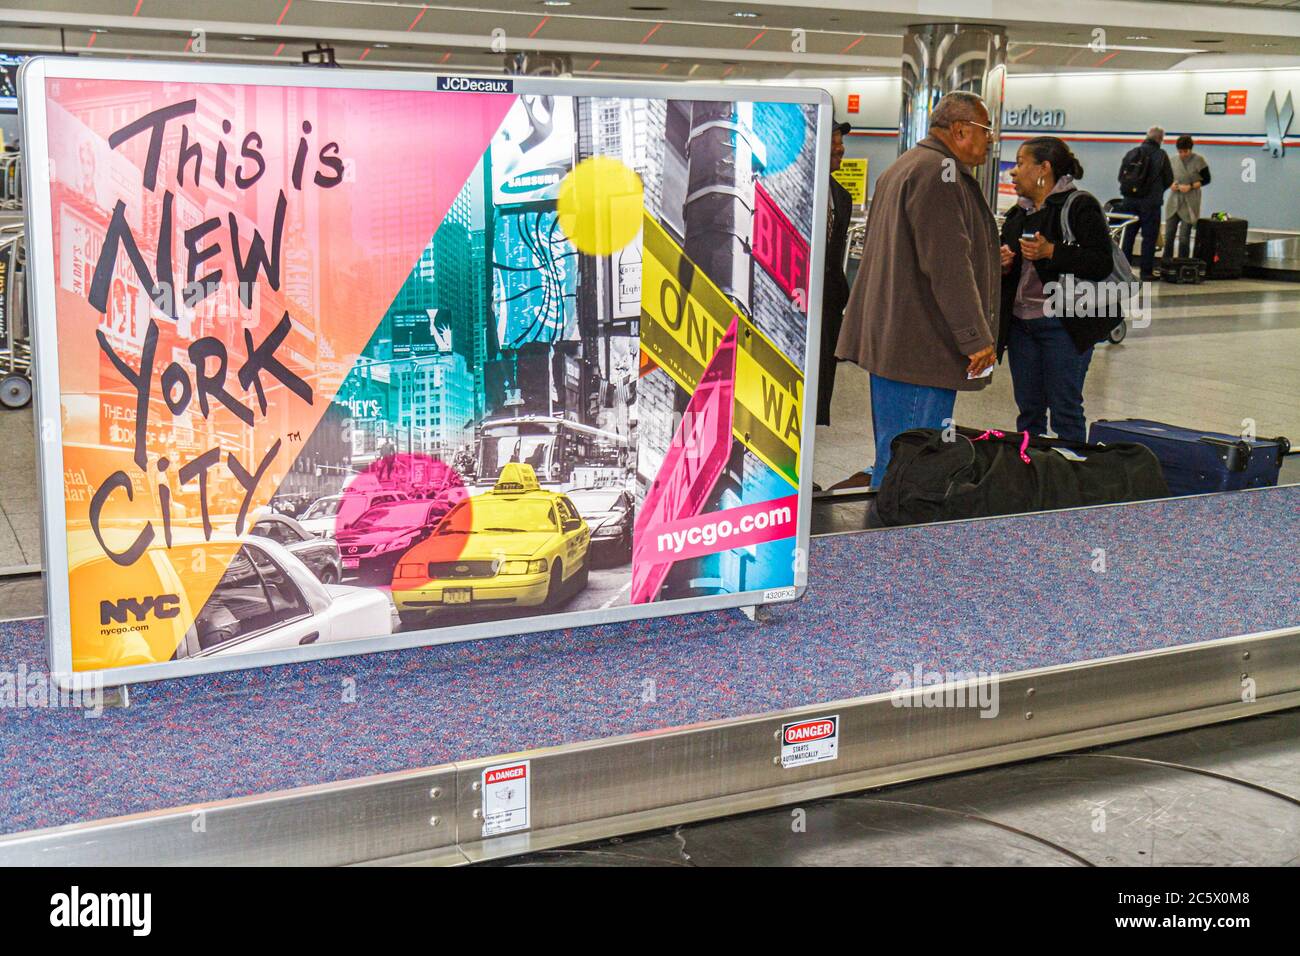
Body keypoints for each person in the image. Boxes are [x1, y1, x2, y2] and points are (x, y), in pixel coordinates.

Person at [836, 91, 999, 488]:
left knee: (895, 452)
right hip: (922, 346)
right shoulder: (940, 172)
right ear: (960, 130)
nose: (990, 140)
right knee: (913, 458)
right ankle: (895, 543)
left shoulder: (907, 165)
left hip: (897, 338)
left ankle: (886, 533)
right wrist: (974, 337)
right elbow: (946, 264)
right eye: (985, 130)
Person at [999, 137, 1117, 444]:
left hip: (1064, 325)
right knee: (1029, 411)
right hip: (1021, 326)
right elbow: (1011, 271)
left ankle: (1073, 476)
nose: (1013, 171)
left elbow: (1100, 262)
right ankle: (1031, 470)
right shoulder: (1017, 215)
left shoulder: (1079, 206)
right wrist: (1003, 265)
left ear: (1044, 168)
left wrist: (1053, 251)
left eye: (1021, 162)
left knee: (1065, 409)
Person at [816, 121, 854, 428]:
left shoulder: (841, 197)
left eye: (840, 142)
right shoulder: (796, 191)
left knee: (821, 380)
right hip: (795, 301)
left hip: (827, 305)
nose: (840, 148)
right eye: (834, 142)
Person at [1116, 125, 1173, 280]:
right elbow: (1169, 178)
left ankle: (1124, 271)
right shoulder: (1161, 155)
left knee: (1128, 236)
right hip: (1151, 203)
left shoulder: (1132, 153)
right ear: (1160, 139)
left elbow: (1121, 176)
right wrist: (1156, 191)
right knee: (1149, 237)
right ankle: (1146, 272)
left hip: (1129, 202)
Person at [1162, 135, 1211, 264]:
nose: (1183, 154)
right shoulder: (1173, 161)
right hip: (1174, 201)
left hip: (1190, 201)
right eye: (1180, 152)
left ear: (1190, 149)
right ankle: (1166, 263)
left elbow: (1206, 179)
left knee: (1184, 237)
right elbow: (1166, 178)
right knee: (1169, 235)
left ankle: (1183, 263)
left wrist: (1190, 186)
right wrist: (1171, 185)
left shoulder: (1199, 161)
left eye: (1185, 151)